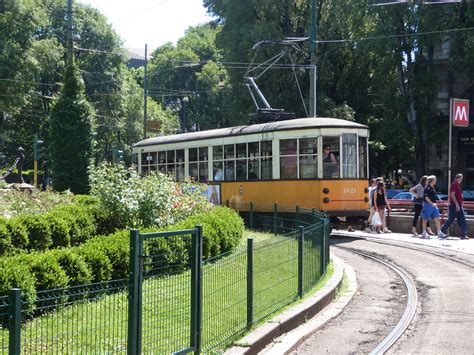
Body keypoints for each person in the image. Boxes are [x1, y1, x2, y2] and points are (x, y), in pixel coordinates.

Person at [440, 174, 469, 239]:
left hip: (459, 205)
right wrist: (456, 204)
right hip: (454, 205)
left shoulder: (457, 185)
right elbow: (452, 195)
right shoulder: (454, 184)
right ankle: (441, 231)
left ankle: (463, 235)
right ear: (457, 178)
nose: (462, 180)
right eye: (461, 179)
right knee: (451, 219)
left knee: (462, 220)